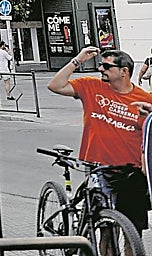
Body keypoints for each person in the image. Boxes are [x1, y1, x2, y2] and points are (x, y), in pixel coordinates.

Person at [47, 45, 152, 232]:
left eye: (106, 66)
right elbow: (56, 85)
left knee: (133, 230)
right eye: (101, 64)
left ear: (124, 72)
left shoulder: (145, 99)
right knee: (106, 228)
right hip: (98, 165)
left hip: (132, 170)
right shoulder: (91, 87)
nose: (100, 68)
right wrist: (78, 60)